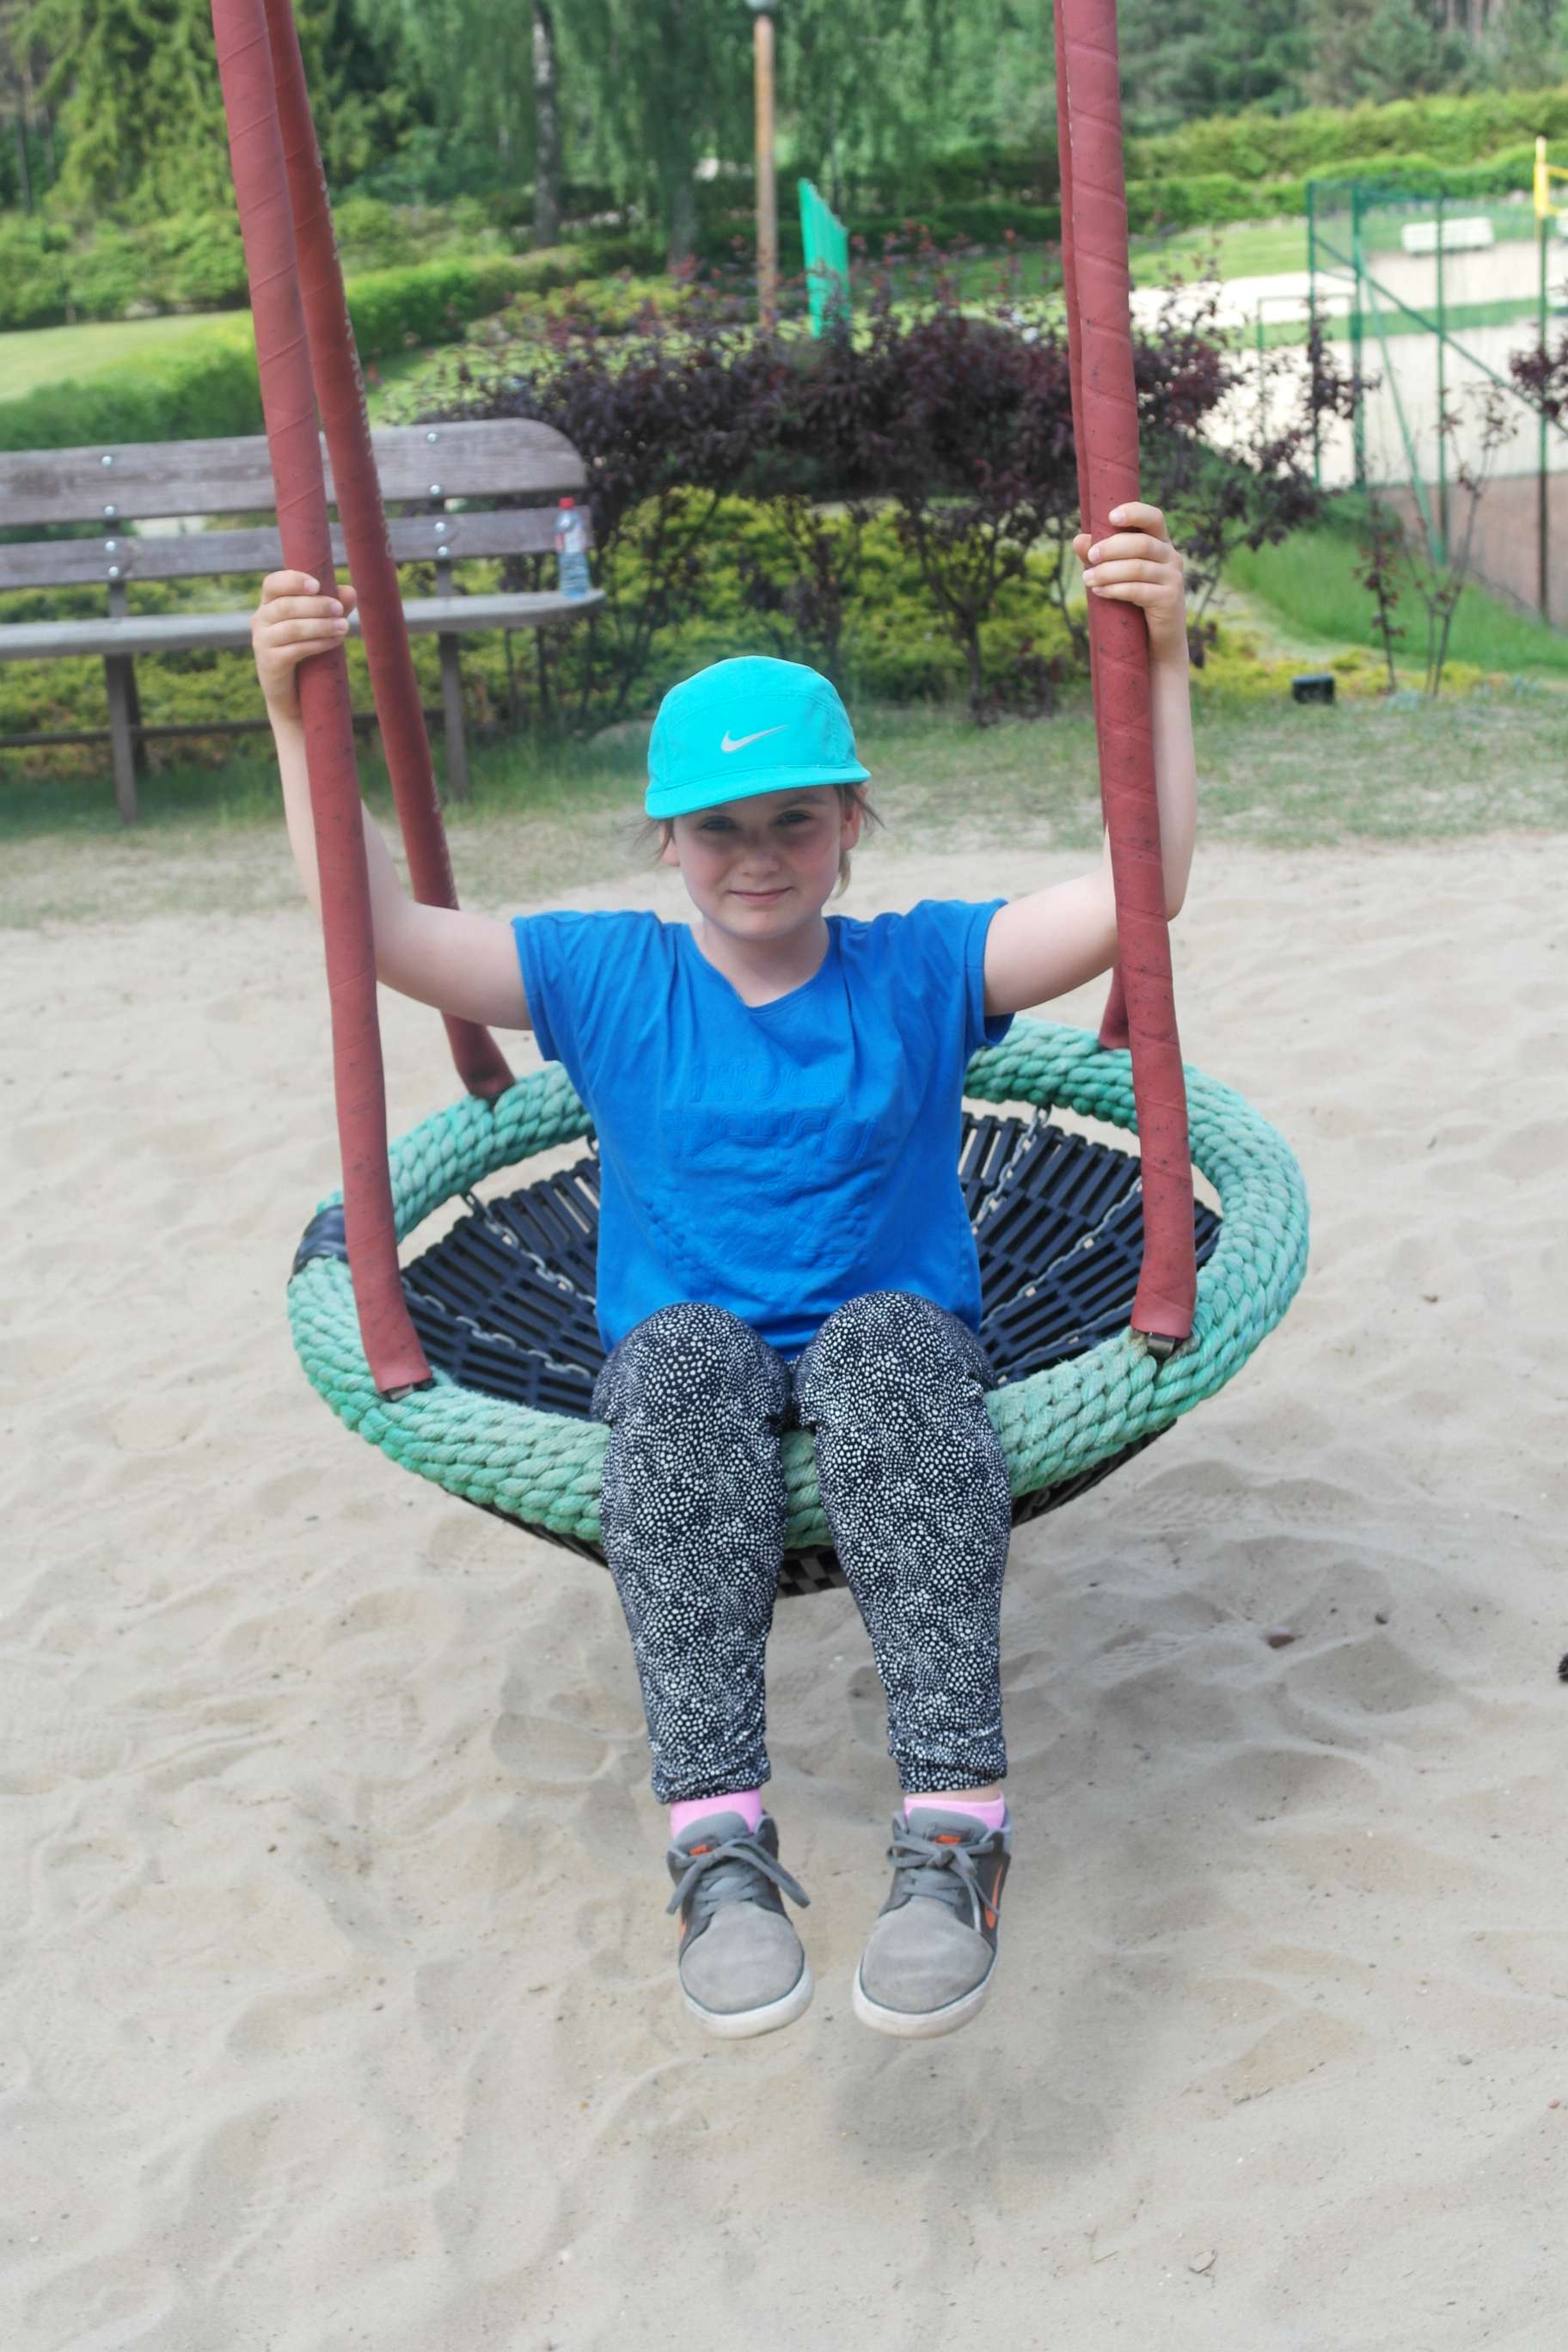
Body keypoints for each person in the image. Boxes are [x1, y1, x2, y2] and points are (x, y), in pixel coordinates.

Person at [250, 502, 1196, 2043]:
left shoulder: (919, 966)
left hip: (894, 1346)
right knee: (683, 1370)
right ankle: (718, 1846)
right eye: (718, 830)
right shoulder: (605, 977)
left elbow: (1137, 890)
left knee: (890, 1353)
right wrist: (302, 721)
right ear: (666, 841)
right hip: (691, 1359)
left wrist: (1160, 658)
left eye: (794, 823)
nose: (757, 859)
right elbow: (380, 931)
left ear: (850, 825)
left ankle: (956, 1828)